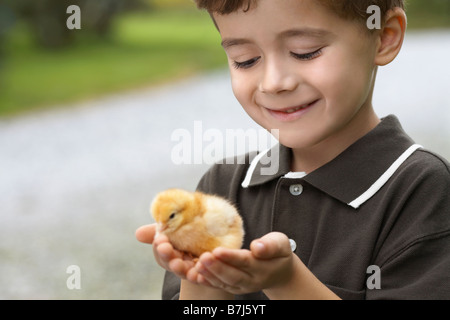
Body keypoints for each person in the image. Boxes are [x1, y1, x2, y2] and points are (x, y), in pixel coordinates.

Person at [136, 0, 450, 300]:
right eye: (246, 59)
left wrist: (286, 282)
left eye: (304, 52)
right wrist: (205, 278)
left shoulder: (421, 191)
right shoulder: (222, 188)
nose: (273, 83)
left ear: (384, 36)